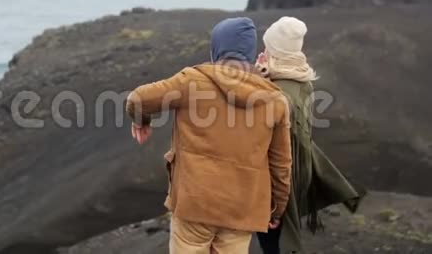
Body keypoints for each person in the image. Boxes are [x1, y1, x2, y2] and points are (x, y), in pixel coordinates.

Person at [126, 17, 293, 254]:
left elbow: (138, 99)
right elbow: (281, 164)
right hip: (241, 209)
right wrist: (276, 210)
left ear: (217, 49)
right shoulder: (275, 101)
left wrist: (141, 120)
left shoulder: (193, 81)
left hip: (195, 203)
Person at [255, 17, 366, 254]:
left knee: (275, 242)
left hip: (281, 179)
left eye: (268, 46)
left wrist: (257, 81)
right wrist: (265, 77)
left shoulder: (277, 94)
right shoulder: (302, 80)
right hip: (299, 170)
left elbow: (260, 126)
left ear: (276, 51)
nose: (263, 51)